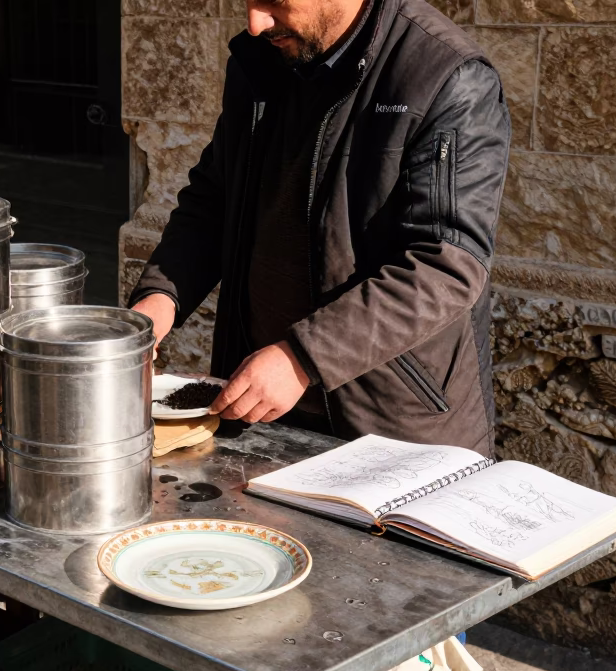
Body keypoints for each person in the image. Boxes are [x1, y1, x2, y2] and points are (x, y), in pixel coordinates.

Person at [128, 0, 511, 456]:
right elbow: (214, 200)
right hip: (256, 412)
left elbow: (446, 265)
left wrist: (302, 358)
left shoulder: (447, 76)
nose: (255, 22)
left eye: (274, 1)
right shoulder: (260, 61)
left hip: (393, 433)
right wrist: (157, 300)